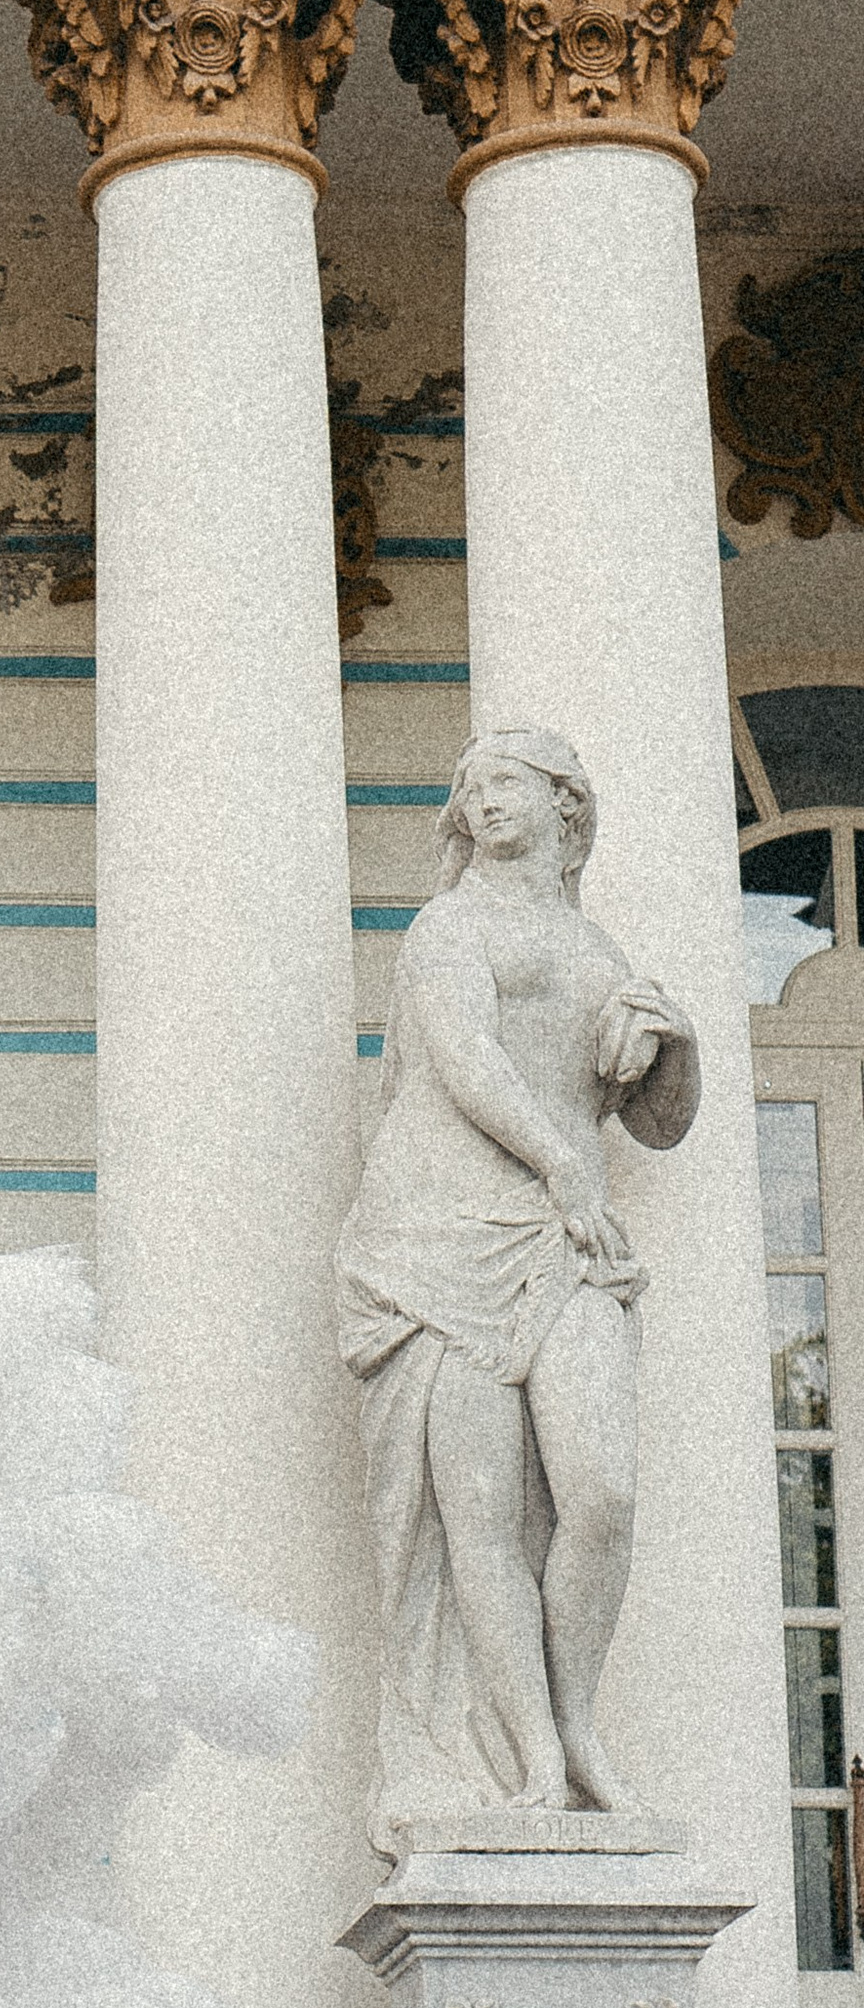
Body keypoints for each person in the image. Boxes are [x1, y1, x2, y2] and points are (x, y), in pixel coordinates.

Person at [334, 725, 699, 1845]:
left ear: (563, 803)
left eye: (505, 782)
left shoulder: (600, 952)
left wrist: (676, 1044)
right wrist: (558, 1168)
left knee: (602, 1494)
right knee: (476, 1519)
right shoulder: (449, 927)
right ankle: (535, 1762)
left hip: (566, 1241)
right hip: (438, 1238)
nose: (481, 800)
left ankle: (577, 1721)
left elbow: (659, 1123)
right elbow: (463, 1059)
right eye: (469, 788)